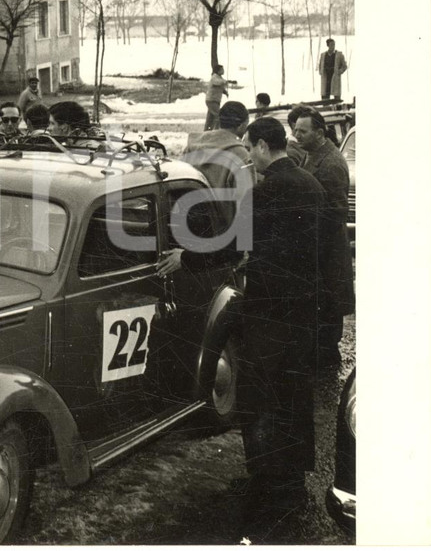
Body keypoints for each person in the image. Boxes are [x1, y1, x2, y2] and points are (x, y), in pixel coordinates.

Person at [157, 117, 324, 535]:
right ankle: (293, 478)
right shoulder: (311, 185)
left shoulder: (267, 192)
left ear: (265, 147)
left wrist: (188, 258)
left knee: (261, 395)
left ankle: (268, 483)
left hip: (269, 310)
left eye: (250, 149)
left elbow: (231, 243)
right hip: (302, 313)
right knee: (294, 393)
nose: (248, 157)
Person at [292, 107, 354, 366]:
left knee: (328, 306)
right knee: (323, 305)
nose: (296, 135)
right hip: (319, 247)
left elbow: (337, 213)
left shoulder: (331, 163)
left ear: (319, 132)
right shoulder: (313, 153)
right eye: (294, 130)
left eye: (302, 131)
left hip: (326, 249)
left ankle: (328, 362)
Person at [184, 101, 255, 228]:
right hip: (225, 232)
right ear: (242, 126)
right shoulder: (241, 155)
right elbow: (246, 203)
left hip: (189, 225)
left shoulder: (192, 146)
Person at [204, 64, 228, 131]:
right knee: (218, 116)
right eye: (222, 69)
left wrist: (225, 92)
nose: (223, 71)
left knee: (210, 117)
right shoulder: (214, 77)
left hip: (215, 100)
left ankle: (207, 131)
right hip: (212, 100)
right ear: (218, 71)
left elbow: (220, 87)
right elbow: (217, 83)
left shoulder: (220, 78)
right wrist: (224, 82)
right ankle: (216, 130)